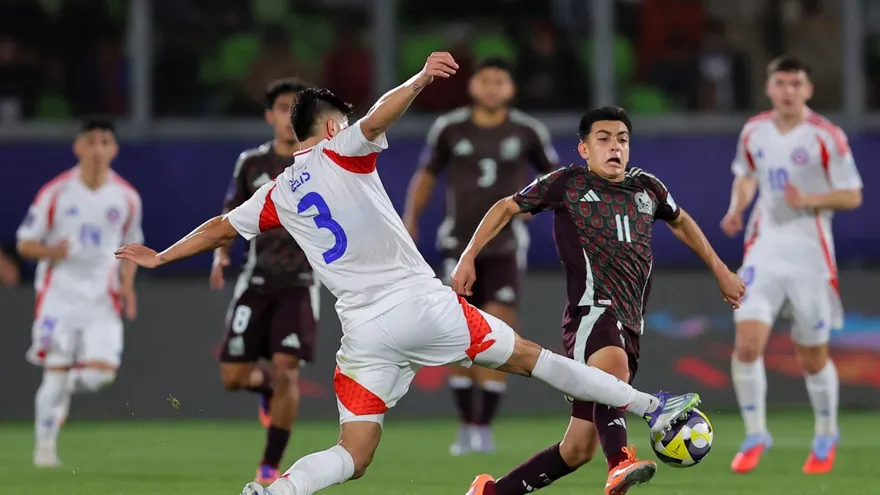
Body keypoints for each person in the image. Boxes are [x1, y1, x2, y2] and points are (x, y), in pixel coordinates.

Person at [114, 52, 702, 495]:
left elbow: (220, 227)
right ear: (326, 128)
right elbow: (376, 117)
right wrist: (421, 80)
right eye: (340, 119)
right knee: (536, 360)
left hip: (363, 334)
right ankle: (654, 407)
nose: (349, 125)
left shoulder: (275, 193)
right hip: (418, 305)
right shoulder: (340, 150)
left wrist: (162, 256)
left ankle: (278, 490)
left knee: (355, 453)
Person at [457, 106, 745, 495]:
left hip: (631, 322)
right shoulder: (568, 183)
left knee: (577, 449)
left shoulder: (647, 187)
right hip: (592, 312)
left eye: (622, 140)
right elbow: (507, 205)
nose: (615, 147)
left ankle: (493, 492)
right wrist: (469, 254)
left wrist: (720, 269)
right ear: (584, 148)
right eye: (603, 139)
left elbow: (680, 220)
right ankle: (620, 462)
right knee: (613, 373)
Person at [403, 57, 558, 455]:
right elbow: (426, 176)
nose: (492, 88)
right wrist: (411, 220)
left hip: (506, 246)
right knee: (459, 334)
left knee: (499, 330)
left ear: (510, 89)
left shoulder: (527, 130)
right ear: (473, 87)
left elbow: (557, 181)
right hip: (458, 245)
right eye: (485, 81)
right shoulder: (450, 128)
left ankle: (483, 426)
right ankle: (466, 424)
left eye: (499, 81)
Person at [720, 56, 863, 475]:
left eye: (795, 83)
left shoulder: (827, 136)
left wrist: (811, 200)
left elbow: (852, 195)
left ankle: (825, 433)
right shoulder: (754, 130)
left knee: (812, 356)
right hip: (764, 249)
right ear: (769, 88)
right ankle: (756, 433)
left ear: (808, 90)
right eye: (780, 83)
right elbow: (745, 174)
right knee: (747, 343)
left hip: (811, 257)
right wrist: (737, 207)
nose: (787, 90)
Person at [210, 78, 318, 484]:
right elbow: (228, 216)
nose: (288, 117)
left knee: (288, 368)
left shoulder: (320, 161)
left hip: (301, 280)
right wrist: (221, 256)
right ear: (269, 115)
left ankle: (271, 463)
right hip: (256, 279)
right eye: (282, 108)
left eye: (297, 109)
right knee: (233, 376)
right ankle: (264, 388)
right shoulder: (251, 164)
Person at [17, 120, 143, 468]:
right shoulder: (56, 193)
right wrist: (52, 251)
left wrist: (128, 287)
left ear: (114, 149)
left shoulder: (127, 197)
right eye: (92, 142)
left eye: (105, 142)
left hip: (102, 295)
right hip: (59, 293)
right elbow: (25, 243)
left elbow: (132, 248)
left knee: (100, 375)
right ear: (79, 148)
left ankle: (62, 389)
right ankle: (44, 449)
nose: (99, 149)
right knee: (54, 370)